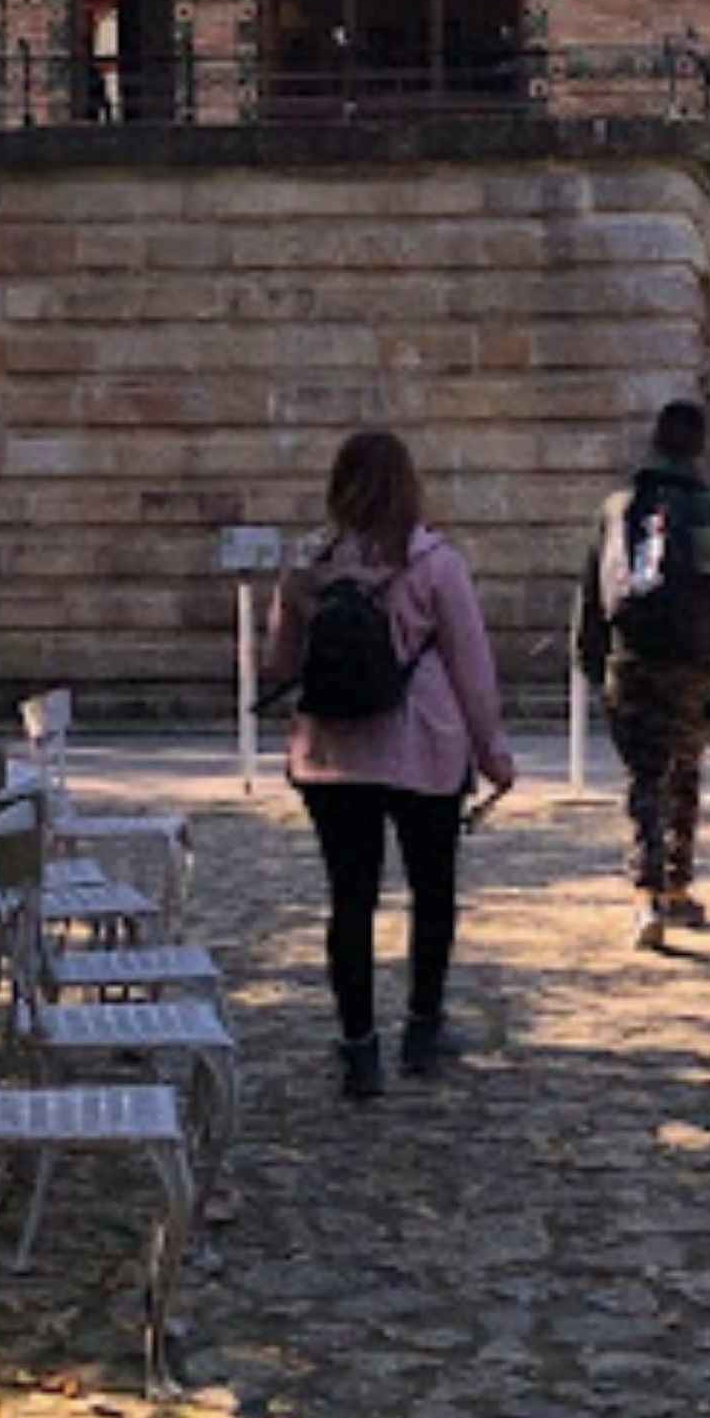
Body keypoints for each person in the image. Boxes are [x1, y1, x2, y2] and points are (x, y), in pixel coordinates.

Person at [263, 427, 515, 1101]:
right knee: (432, 892)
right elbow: (471, 666)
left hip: (332, 753)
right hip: (424, 748)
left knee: (350, 900)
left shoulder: (307, 564)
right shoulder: (435, 563)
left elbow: (278, 666)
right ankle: (422, 1031)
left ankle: (357, 1049)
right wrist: (493, 753)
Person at [577, 397, 710, 952]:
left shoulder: (618, 507)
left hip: (631, 654)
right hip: (693, 660)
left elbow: (592, 590)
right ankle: (676, 884)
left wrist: (592, 658)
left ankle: (644, 892)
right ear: (700, 447)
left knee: (643, 777)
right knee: (685, 772)